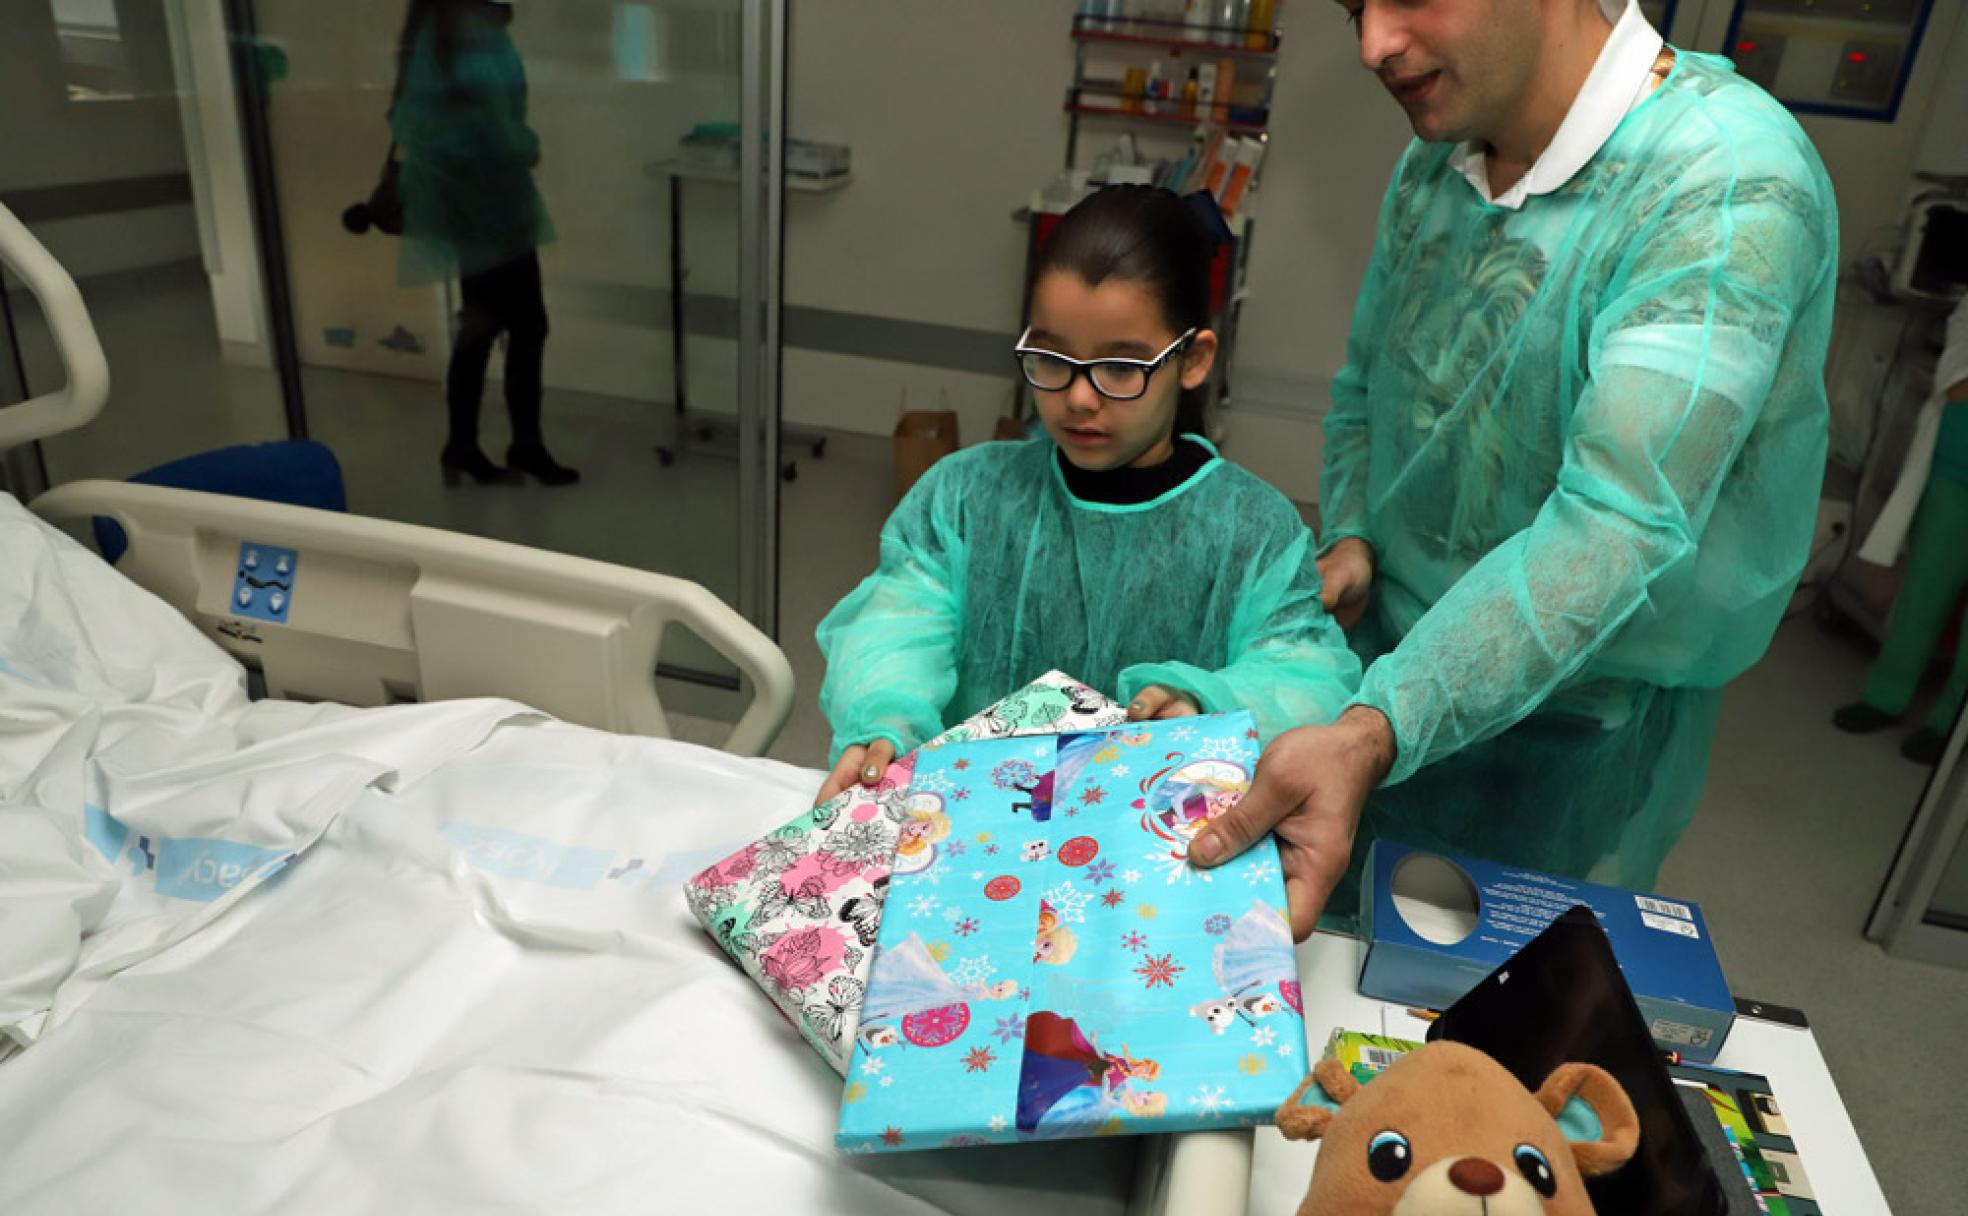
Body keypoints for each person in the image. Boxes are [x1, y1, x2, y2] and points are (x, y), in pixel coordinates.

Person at [1192, 0, 1838, 937]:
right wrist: (1358, 533)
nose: (1373, 45)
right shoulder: (1439, 163)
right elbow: (1374, 384)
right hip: (1381, 676)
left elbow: (1615, 525)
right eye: (1352, 8)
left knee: (1483, 992)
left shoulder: (1726, 183)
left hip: (1564, 730)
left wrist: (1378, 729)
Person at [812, 186, 1361, 803]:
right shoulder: (967, 496)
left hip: (1159, 833)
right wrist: (883, 722)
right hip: (974, 820)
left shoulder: (1252, 530)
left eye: (1120, 368)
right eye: (1051, 358)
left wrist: (1205, 704)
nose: (1078, 397)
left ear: (1192, 359)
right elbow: (897, 626)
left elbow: (1304, 676)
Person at [391, 0, 578, 487]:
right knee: (516, 324)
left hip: (483, 199)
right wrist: (522, 146)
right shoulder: (459, 29)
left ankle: (473, 445)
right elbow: (476, 120)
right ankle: (510, 445)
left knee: (498, 323)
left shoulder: (445, 28)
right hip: (483, 201)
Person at [1835, 297, 1968, 763]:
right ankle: (1884, 696)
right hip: (1954, 466)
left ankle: (1949, 725)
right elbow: (1959, 382)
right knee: (1923, 593)